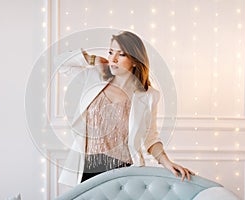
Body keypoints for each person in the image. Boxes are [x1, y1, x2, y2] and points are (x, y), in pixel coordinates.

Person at [58, 30, 194, 187]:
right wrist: (93, 59)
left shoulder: (148, 96)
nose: (113, 59)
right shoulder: (94, 78)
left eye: (121, 54)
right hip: (86, 168)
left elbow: (150, 137)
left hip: (122, 172)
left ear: (135, 60)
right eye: (110, 52)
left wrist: (167, 162)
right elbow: (60, 64)